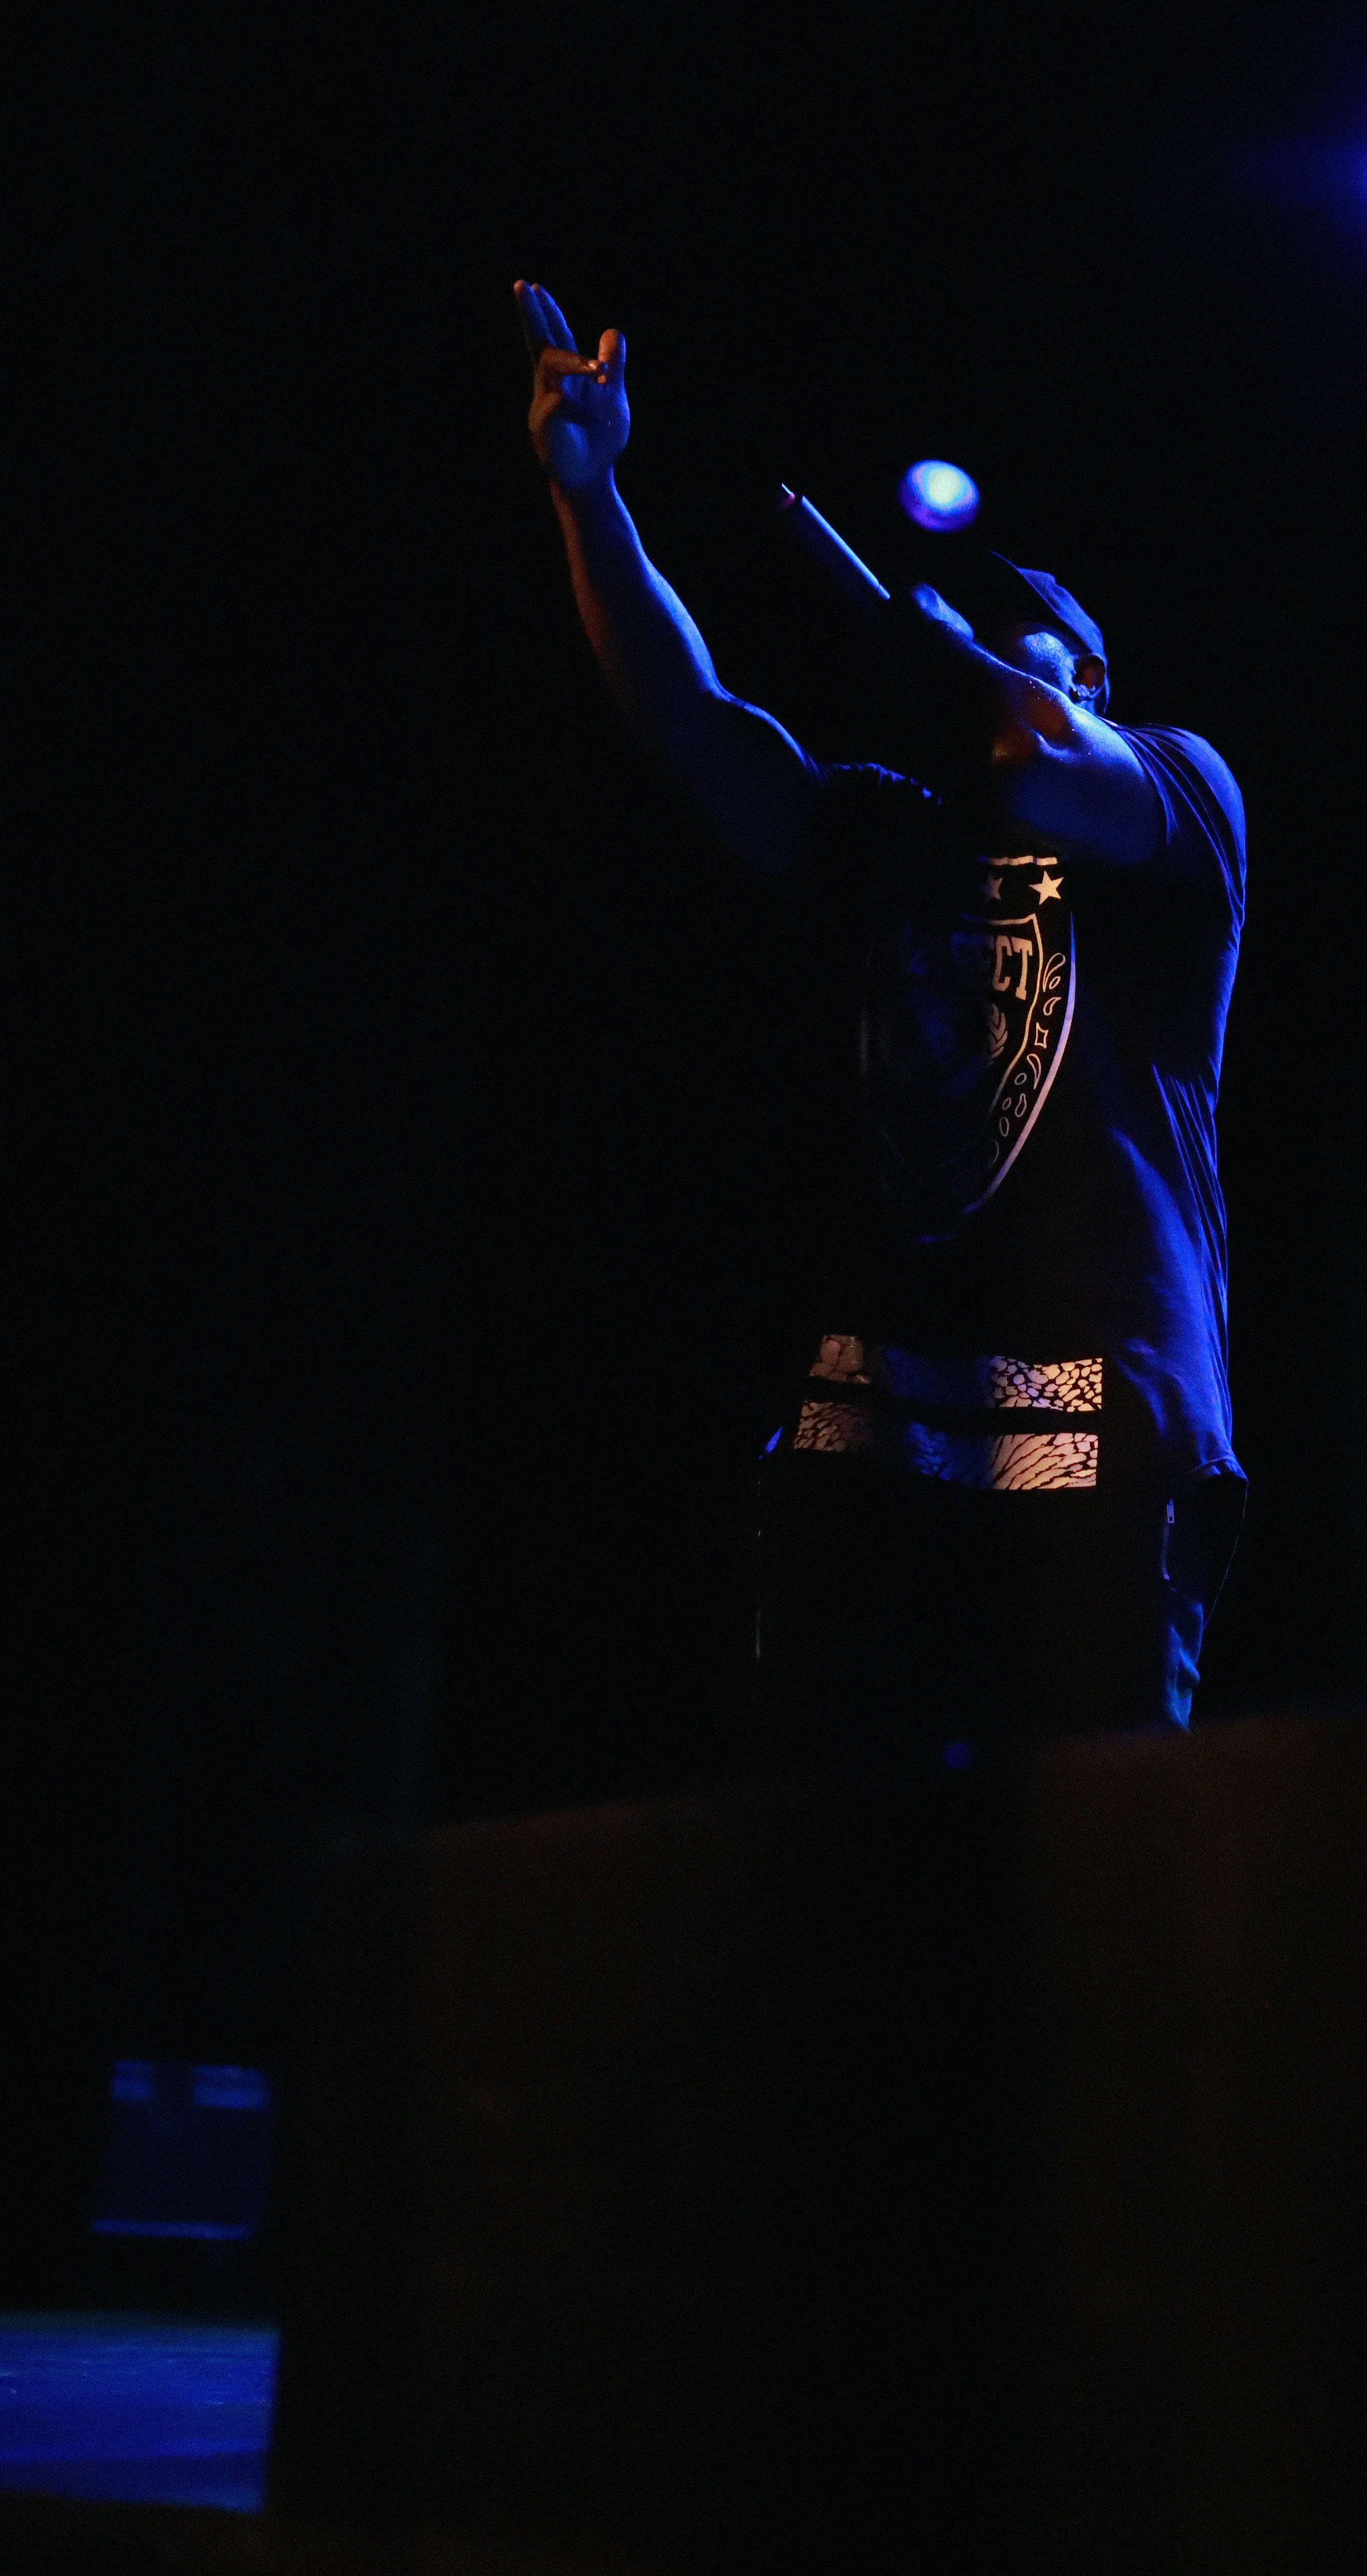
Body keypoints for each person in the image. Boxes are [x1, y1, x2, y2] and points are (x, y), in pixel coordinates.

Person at [515, 279, 1246, 1769]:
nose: (962, 639)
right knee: (841, 1891)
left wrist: (908, 634)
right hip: (877, 1419)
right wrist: (592, 501)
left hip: (1096, 1413)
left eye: (1004, 629)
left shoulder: (1174, 794)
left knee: (1090, 1862)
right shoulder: (878, 829)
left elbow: (1043, 764)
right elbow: (693, 718)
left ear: (1091, 672)